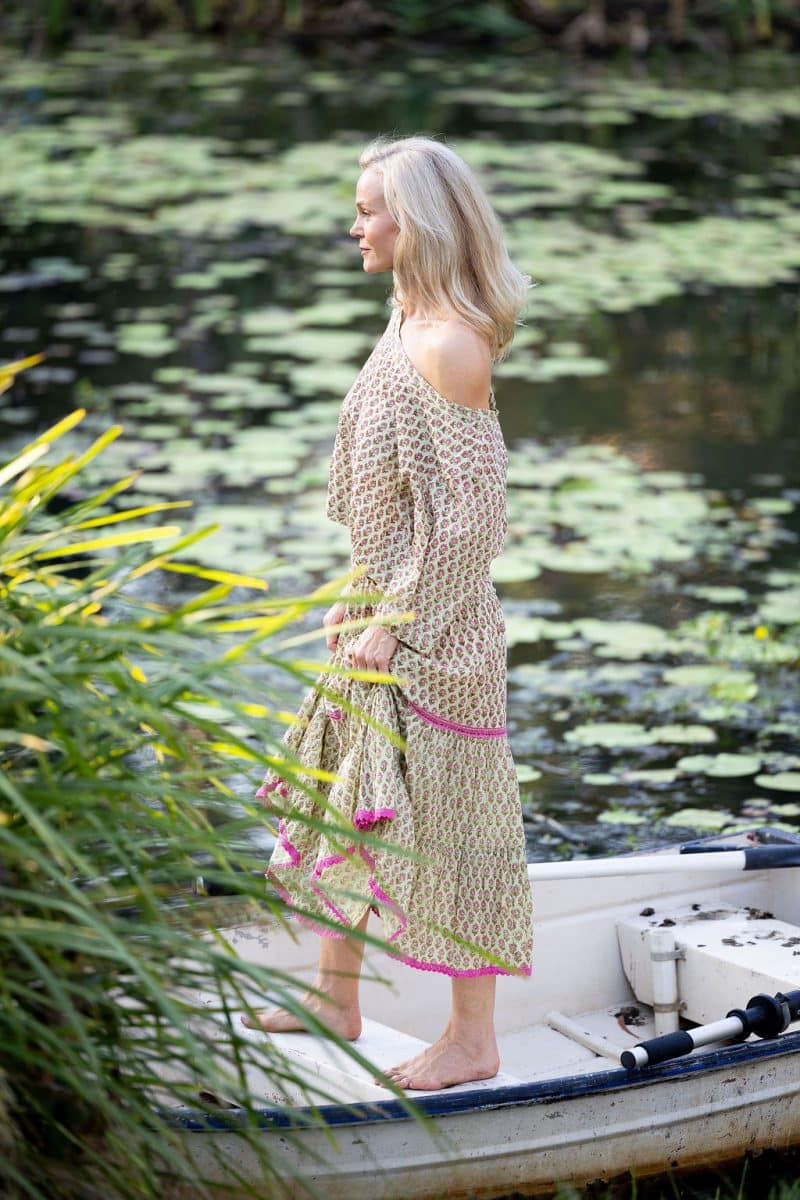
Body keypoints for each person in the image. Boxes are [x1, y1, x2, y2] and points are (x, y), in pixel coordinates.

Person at [244, 135, 533, 1091]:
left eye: (369, 209)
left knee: (457, 825)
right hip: (381, 609)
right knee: (345, 803)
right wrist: (354, 597)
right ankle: (336, 996)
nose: (355, 224)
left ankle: (472, 1041)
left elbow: (470, 522)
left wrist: (395, 622)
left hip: (438, 637)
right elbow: (395, 501)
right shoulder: (403, 317)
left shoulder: (451, 343)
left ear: (418, 223)